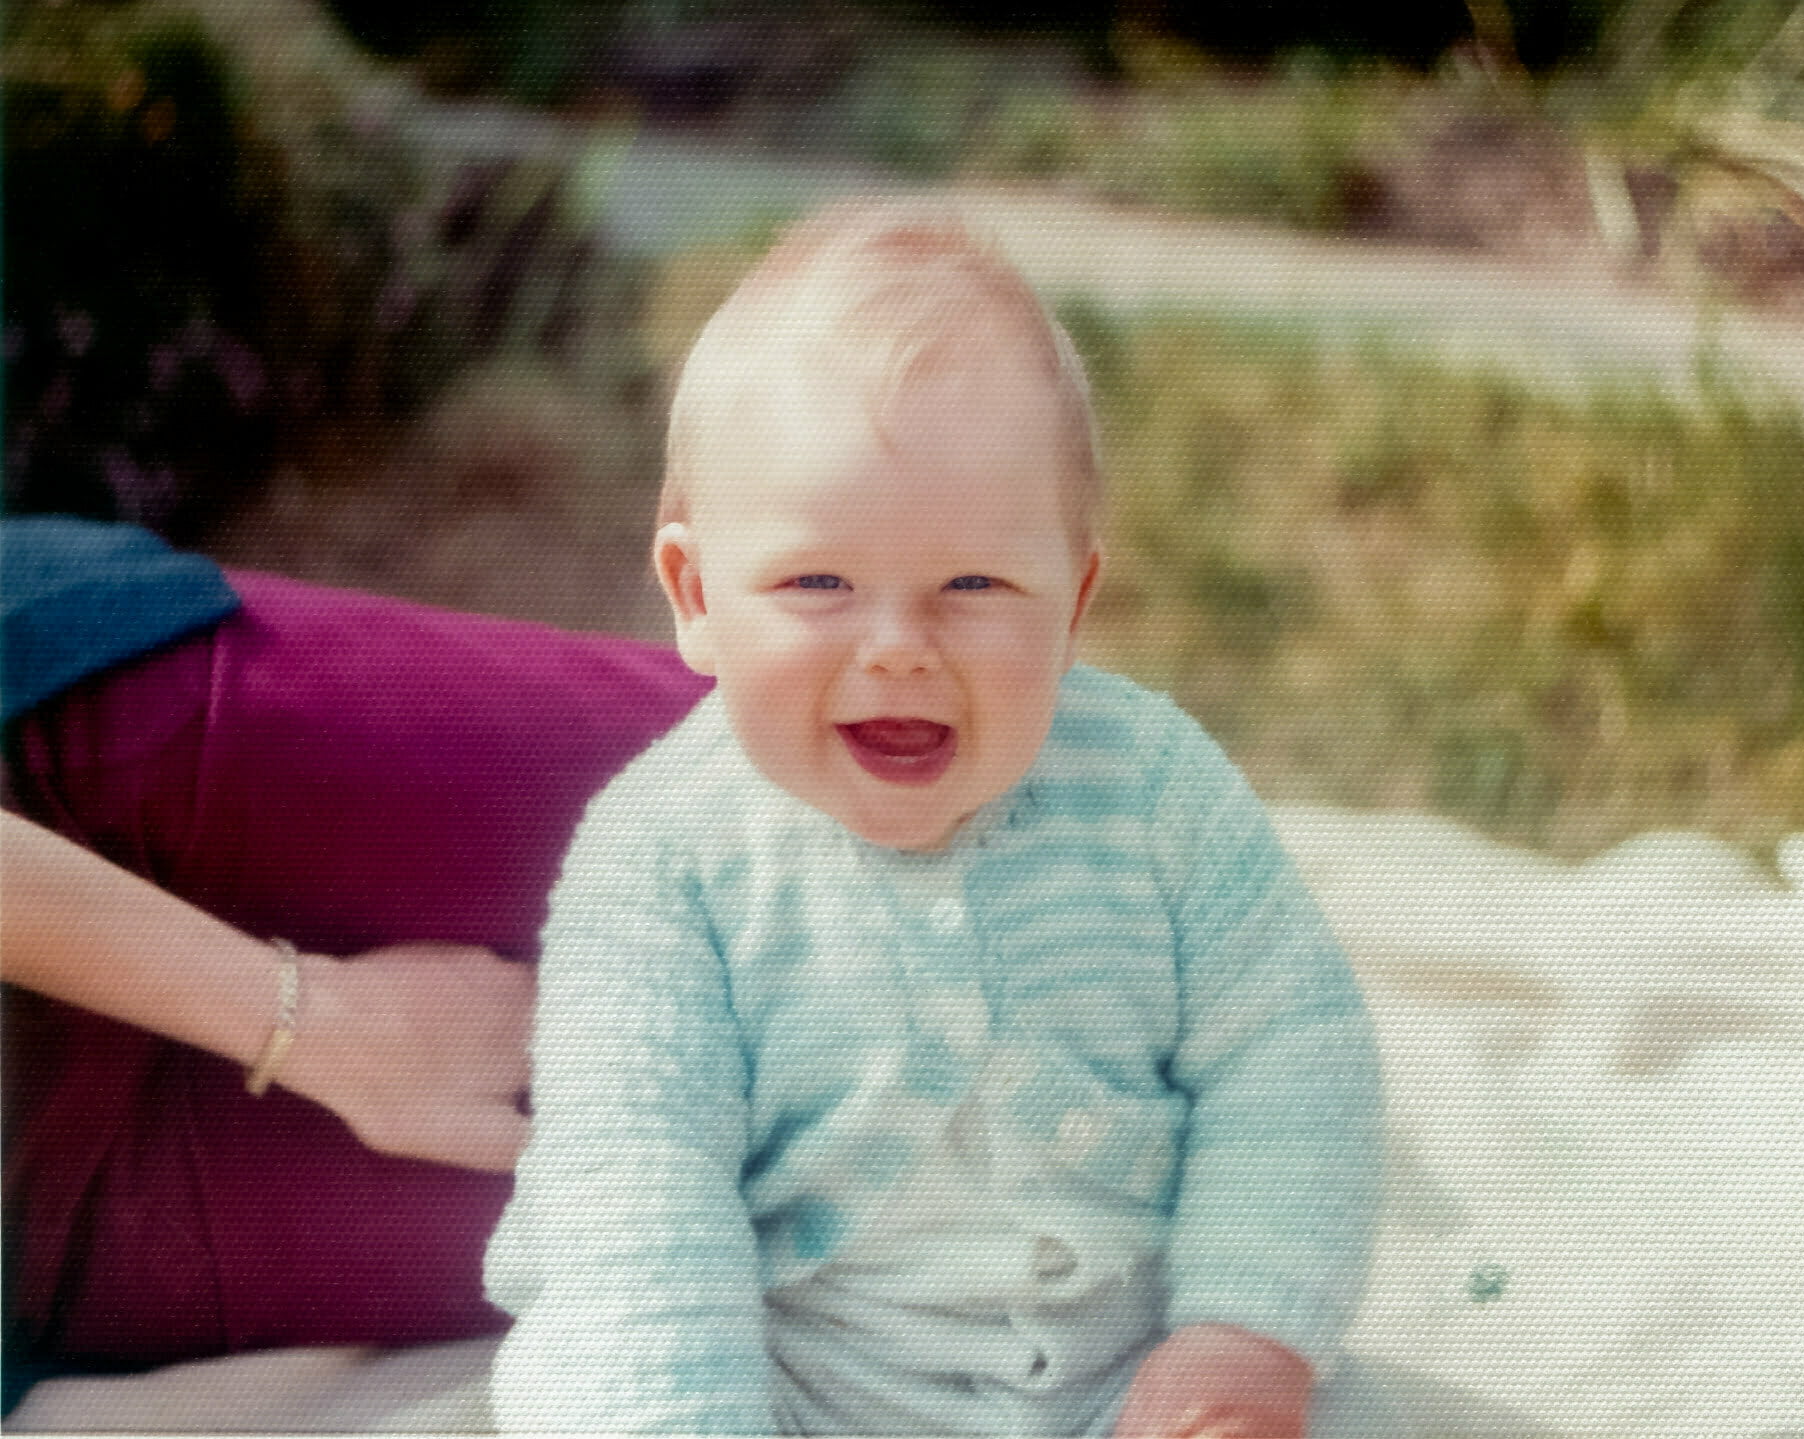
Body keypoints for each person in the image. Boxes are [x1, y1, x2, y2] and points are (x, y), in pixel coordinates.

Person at [486, 204, 1384, 1437]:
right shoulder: (662, 860)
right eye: (817, 583)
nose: (898, 649)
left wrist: (1244, 1329)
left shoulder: (1154, 787)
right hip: (789, 1383)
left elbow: (1290, 1051)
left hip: (1128, 1379)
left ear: (1073, 599)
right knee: (596, 1377)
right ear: (696, 596)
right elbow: (638, 1196)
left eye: (973, 585)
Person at [2, 518, 707, 1392]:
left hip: (56, 767)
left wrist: (321, 1022)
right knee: (816, 1229)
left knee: (841, 836)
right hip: (58, 1235)